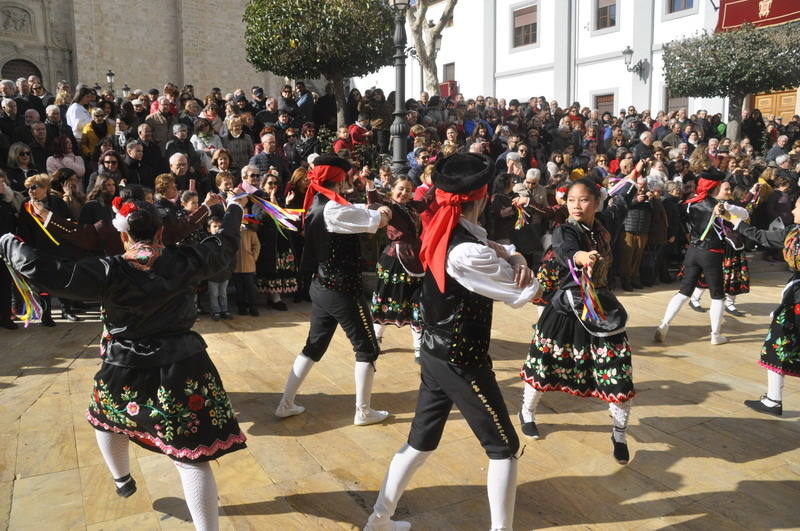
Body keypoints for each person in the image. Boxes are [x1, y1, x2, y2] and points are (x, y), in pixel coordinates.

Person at [0, 194, 248, 531]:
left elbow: (48, 270)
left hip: (124, 365)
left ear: (123, 236)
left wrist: (8, 242)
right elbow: (226, 243)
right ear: (161, 234)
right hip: (183, 364)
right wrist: (234, 208)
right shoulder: (188, 259)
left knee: (106, 420)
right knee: (189, 457)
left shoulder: (109, 270)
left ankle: (122, 480)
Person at [364, 153, 539, 531]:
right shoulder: (466, 250)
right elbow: (524, 291)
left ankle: (379, 520)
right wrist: (522, 262)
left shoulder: (454, 231)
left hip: (438, 353)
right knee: (504, 449)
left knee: (420, 443)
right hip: (460, 358)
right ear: (484, 198)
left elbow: (502, 249)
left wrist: (516, 253)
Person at [520, 168, 640, 465]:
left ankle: (619, 432)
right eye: (572, 199)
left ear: (596, 202)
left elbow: (622, 199)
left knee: (618, 372)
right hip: (567, 307)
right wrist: (581, 257)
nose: (576, 205)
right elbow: (564, 249)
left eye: (584, 200)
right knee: (544, 365)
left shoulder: (604, 224)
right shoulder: (566, 230)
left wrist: (632, 179)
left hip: (601, 308)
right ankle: (526, 411)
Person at [274, 154, 393, 426]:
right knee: (367, 348)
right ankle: (363, 411)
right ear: (338, 180)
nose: (347, 183)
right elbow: (377, 221)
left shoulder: (320, 204)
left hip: (322, 285)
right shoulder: (334, 210)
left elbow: (352, 208)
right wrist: (384, 212)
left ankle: (286, 403)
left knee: (314, 346)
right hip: (342, 289)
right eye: (344, 179)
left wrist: (370, 205)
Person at [724, 197, 800, 417]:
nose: (793, 211)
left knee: (777, 345)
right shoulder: (792, 233)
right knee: (776, 344)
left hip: (795, 300)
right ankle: (772, 399)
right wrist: (734, 221)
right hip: (793, 298)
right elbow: (762, 236)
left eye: (797, 207)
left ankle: (773, 400)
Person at [654, 165, 730, 345]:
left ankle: (665, 323)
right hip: (712, 253)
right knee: (717, 295)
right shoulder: (719, 207)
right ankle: (715, 335)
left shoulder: (691, 204)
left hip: (693, 251)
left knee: (684, 291)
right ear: (716, 187)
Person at [366, 175, 433, 361]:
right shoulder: (390, 206)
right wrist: (370, 185)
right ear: (393, 190)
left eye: (408, 189)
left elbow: (427, 200)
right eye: (401, 188)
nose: (404, 192)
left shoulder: (412, 207)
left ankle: (419, 347)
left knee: (417, 302)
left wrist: (441, 182)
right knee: (386, 298)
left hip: (415, 259)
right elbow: (373, 202)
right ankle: (375, 338)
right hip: (395, 259)